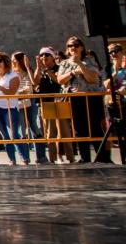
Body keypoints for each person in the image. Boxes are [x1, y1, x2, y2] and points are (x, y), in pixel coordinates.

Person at [57, 35, 109, 163]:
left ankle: (102, 157)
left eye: (75, 45)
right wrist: (73, 72)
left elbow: (93, 78)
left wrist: (80, 64)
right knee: (80, 129)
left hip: (91, 98)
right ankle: (85, 158)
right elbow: (60, 80)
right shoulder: (64, 63)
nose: (72, 48)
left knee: (96, 127)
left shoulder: (89, 60)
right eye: (70, 46)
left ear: (81, 47)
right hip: (75, 98)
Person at [0, 51, 26, 164]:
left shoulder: (13, 75)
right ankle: (12, 160)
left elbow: (11, 92)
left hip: (10, 107)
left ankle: (24, 158)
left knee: (14, 134)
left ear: (6, 61)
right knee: (5, 136)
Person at [11, 51, 47, 164]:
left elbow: (33, 84)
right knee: (22, 130)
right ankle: (25, 158)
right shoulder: (12, 74)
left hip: (30, 102)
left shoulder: (28, 71)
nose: (12, 62)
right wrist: (21, 92)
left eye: (14, 60)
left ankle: (41, 157)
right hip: (18, 103)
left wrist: (27, 66)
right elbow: (13, 89)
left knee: (34, 127)